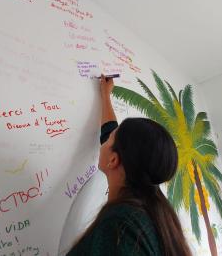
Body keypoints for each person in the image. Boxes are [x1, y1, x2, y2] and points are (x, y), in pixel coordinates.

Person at [66, 75, 192, 256]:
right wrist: (105, 94)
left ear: (114, 160)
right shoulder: (155, 214)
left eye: (109, 139)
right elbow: (113, 134)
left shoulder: (119, 228)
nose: (105, 139)